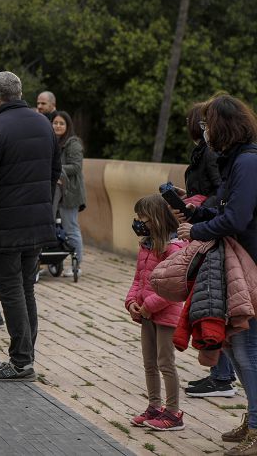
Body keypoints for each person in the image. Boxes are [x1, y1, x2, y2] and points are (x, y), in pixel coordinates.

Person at [0, 72, 61, 380]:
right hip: (35, 221)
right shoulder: (43, 123)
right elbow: (54, 170)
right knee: (25, 289)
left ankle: (20, 361)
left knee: (11, 291)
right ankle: (26, 355)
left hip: (3, 225)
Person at [177, 94, 257, 448]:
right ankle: (253, 418)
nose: (204, 130)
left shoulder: (247, 162)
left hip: (251, 263)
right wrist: (194, 213)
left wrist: (196, 231)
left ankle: (256, 426)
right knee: (238, 344)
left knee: (246, 346)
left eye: (208, 123)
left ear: (222, 125)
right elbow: (221, 205)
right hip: (245, 261)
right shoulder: (235, 160)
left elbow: (237, 217)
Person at [179, 103, 235, 398]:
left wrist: (199, 207)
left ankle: (223, 375)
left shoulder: (211, 153)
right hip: (205, 225)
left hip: (210, 232)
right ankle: (220, 372)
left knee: (213, 301)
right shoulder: (203, 151)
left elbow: (221, 194)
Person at [125, 194, 185, 432]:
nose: (139, 222)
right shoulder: (145, 245)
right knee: (149, 363)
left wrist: (148, 306)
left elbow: (174, 287)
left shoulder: (175, 248)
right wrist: (131, 302)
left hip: (165, 315)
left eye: (143, 218)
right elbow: (138, 279)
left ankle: (173, 412)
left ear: (157, 219)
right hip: (146, 314)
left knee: (165, 362)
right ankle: (154, 406)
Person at [52, 111, 86, 273]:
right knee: (56, 228)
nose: (58, 126)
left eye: (61, 123)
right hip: (56, 191)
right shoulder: (54, 142)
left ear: (67, 126)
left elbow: (76, 167)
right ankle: (54, 262)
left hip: (70, 194)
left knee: (71, 228)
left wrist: (54, 169)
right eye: (55, 123)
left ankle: (76, 265)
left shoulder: (73, 143)